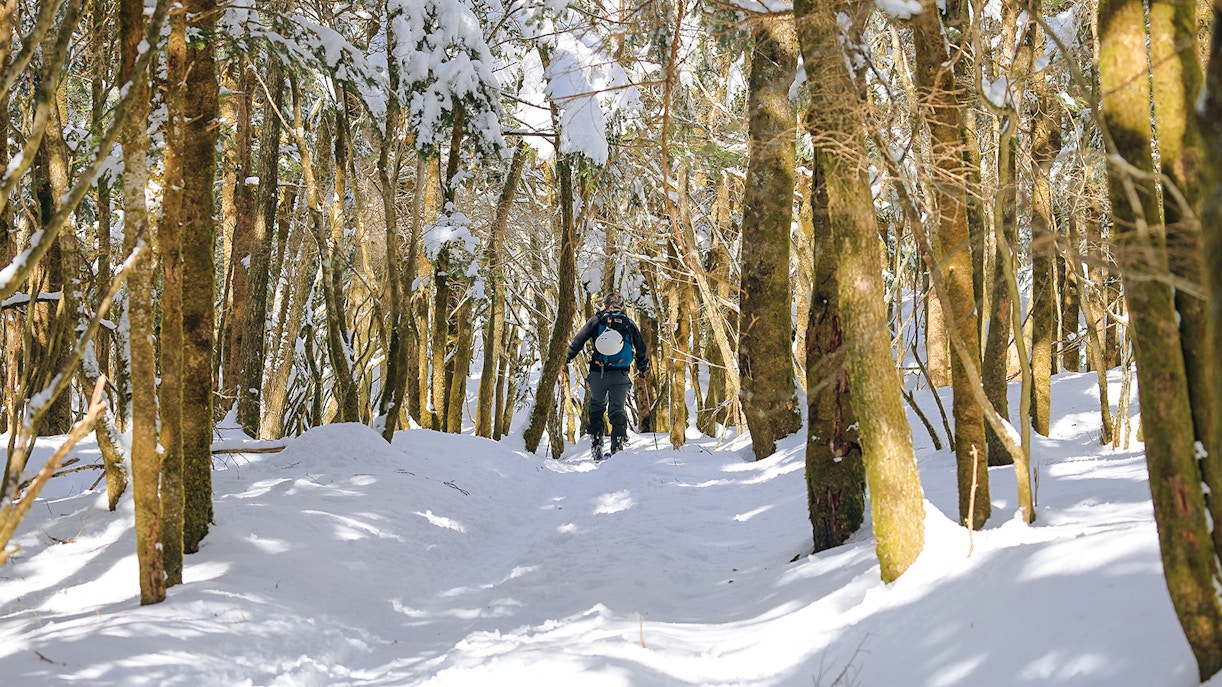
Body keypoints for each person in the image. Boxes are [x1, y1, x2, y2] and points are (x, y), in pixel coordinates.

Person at [562, 292, 649, 459]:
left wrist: (565, 360)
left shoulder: (596, 320)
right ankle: (617, 447)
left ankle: (596, 445)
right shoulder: (628, 323)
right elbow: (641, 347)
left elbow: (578, 341)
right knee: (617, 409)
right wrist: (642, 367)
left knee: (596, 407)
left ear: (605, 305)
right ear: (621, 307)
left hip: (598, 372)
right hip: (621, 373)